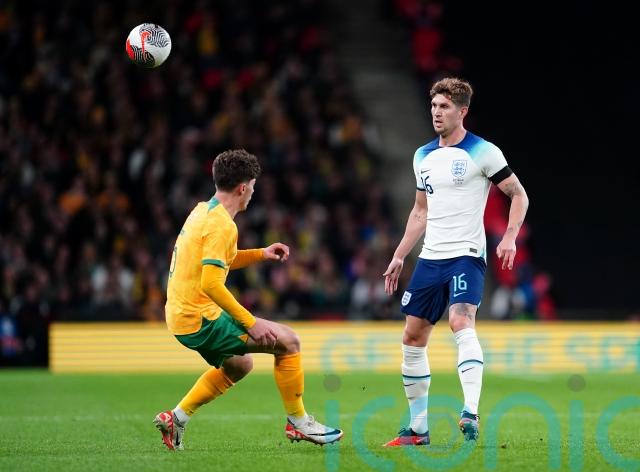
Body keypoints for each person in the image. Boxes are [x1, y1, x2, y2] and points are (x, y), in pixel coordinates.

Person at [153, 149, 343, 450]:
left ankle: (176, 418)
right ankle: (298, 422)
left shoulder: (203, 210)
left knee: (240, 365)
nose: (253, 193)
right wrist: (250, 322)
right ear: (243, 188)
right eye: (253, 187)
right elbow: (211, 283)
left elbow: (219, 260)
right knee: (289, 342)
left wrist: (260, 254)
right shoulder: (222, 225)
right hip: (199, 318)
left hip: (182, 314)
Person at [382, 78, 529, 446]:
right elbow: (420, 212)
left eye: (444, 106)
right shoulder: (422, 156)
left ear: (462, 111)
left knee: (460, 320)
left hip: (466, 255)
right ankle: (418, 430)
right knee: (412, 337)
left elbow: (518, 195)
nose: (436, 112)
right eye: (434, 105)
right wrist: (399, 255)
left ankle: (470, 412)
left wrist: (509, 235)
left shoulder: (483, 151)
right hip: (430, 258)